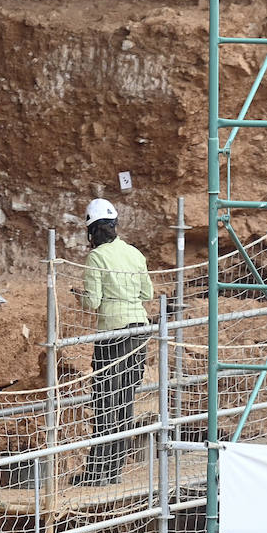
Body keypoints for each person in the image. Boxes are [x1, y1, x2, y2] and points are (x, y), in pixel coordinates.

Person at [74, 198, 154, 487]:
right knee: (125, 400)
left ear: (92, 231)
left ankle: (97, 472)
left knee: (105, 401)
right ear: (115, 226)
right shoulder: (134, 253)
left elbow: (92, 302)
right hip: (139, 332)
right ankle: (114, 469)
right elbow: (148, 293)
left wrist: (77, 294)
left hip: (113, 335)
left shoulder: (96, 258)